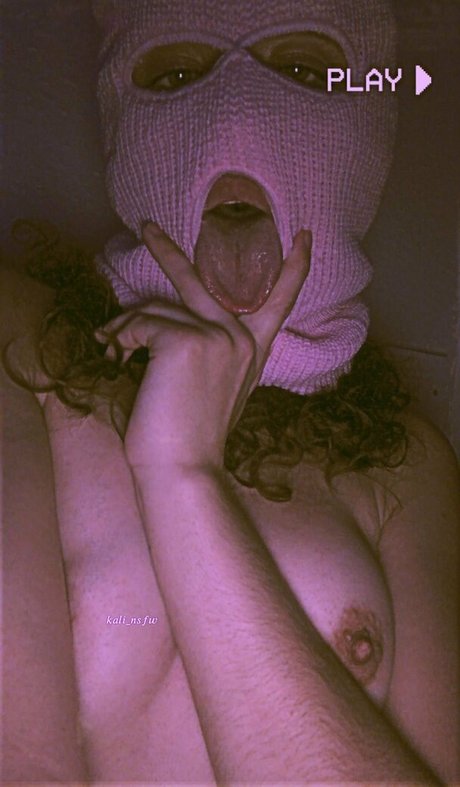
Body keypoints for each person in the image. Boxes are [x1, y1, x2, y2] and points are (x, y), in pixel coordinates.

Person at [1, 0, 458, 783]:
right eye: (177, 72)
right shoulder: (18, 337)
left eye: (303, 70)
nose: (239, 112)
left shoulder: (405, 466)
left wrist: (181, 472)